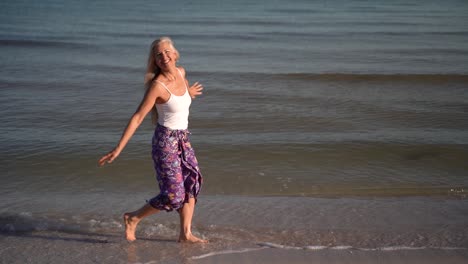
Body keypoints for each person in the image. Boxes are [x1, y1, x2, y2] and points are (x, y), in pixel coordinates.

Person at [98, 37, 207, 243]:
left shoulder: (182, 73)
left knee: (191, 185)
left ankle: (185, 234)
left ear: (175, 54)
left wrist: (189, 94)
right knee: (173, 195)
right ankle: (133, 218)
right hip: (165, 143)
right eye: (158, 55)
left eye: (167, 52)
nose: (164, 56)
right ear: (155, 61)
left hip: (184, 140)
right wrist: (118, 149)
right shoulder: (158, 86)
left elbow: (178, 102)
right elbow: (138, 117)